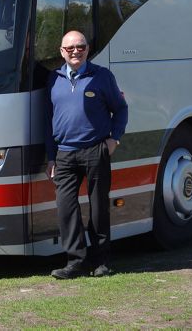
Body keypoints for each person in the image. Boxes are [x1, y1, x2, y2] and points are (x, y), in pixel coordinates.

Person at [46, 30, 128, 279]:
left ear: (87, 49)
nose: (75, 51)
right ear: (61, 52)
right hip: (65, 154)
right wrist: (51, 157)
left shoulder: (102, 76)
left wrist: (114, 139)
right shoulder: (53, 79)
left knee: (98, 207)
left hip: (96, 151)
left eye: (80, 47)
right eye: (69, 48)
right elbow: (46, 120)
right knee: (66, 209)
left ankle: (101, 261)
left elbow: (121, 109)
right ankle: (74, 263)